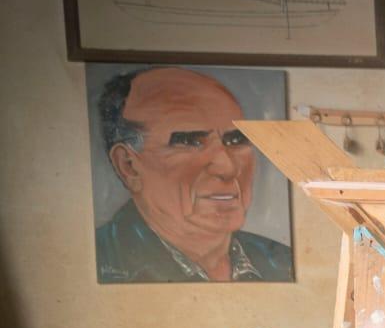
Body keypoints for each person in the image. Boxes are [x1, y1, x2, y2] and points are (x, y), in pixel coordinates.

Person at [95, 66, 293, 283]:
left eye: (235, 141)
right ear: (129, 166)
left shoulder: (282, 263)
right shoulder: (99, 263)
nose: (227, 168)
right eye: (189, 142)